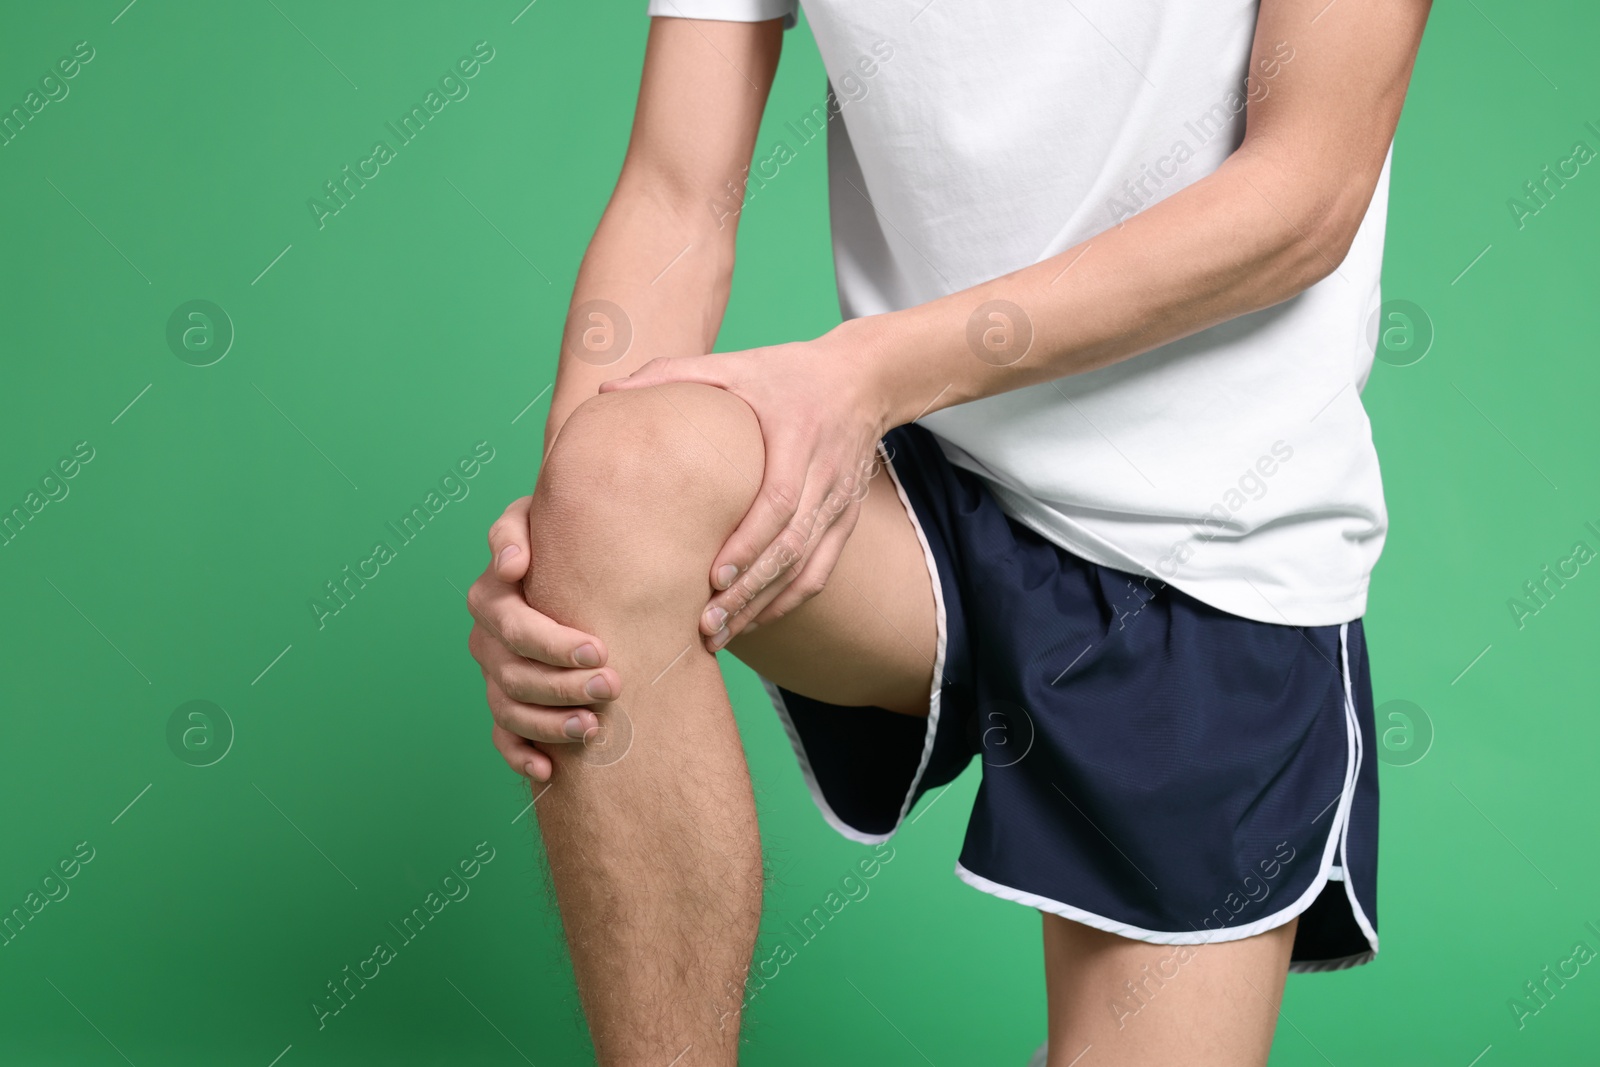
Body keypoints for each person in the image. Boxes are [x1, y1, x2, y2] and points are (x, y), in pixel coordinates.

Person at [465, 1, 1431, 1063]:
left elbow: (1307, 193)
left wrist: (866, 370)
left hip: (1208, 555)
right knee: (613, 487)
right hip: (915, 487)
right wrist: (558, 551)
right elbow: (676, 192)